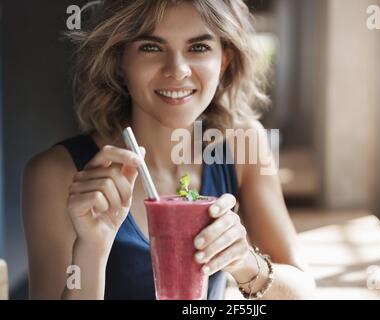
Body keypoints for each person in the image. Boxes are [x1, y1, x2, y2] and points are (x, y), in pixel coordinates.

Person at [22, 0, 316, 299]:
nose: (177, 70)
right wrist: (92, 251)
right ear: (120, 61)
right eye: (151, 47)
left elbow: (303, 292)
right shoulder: (57, 173)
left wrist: (244, 262)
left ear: (224, 60)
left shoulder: (243, 144)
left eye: (198, 47)